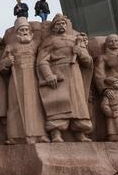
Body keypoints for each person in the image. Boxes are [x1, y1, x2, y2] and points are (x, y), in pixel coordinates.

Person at [36, 14, 93, 142]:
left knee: (78, 104)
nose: (61, 26)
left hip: (75, 73)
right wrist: (48, 75)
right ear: (53, 28)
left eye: (63, 23)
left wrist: (81, 53)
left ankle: (80, 133)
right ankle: (56, 133)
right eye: (58, 24)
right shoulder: (49, 41)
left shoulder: (75, 40)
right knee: (58, 103)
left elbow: (88, 63)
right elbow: (42, 61)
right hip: (58, 72)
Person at [0, 18, 48, 144]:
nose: (25, 31)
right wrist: (7, 62)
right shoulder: (11, 47)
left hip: (32, 78)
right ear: (17, 33)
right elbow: (1, 66)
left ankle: (39, 134)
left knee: (35, 106)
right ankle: (15, 136)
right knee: (15, 106)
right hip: (16, 79)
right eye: (22, 30)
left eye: (27, 29)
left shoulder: (35, 44)